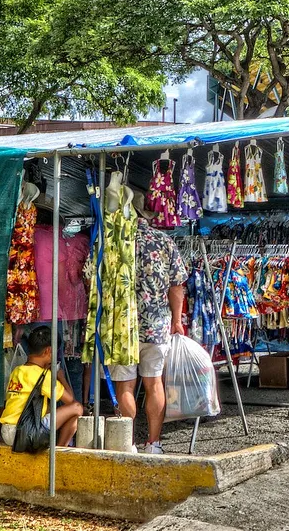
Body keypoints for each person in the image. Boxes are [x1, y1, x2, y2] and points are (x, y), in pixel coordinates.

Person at [108, 193, 188, 455]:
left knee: (126, 385)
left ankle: (127, 442)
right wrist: (176, 320)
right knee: (154, 383)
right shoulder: (164, 242)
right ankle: (154, 443)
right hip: (156, 325)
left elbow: (90, 277)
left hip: (121, 326)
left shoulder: (113, 239)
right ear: (146, 215)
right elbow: (177, 286)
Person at [0, 326, 82, 448]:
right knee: (77, 408)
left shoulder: (17, 370)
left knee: (46, 406)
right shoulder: (44, 376)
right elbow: (71, 400)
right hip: (25, 433)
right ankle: (60, 448)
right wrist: (61, 377)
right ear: (48, 351)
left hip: (6, 431)